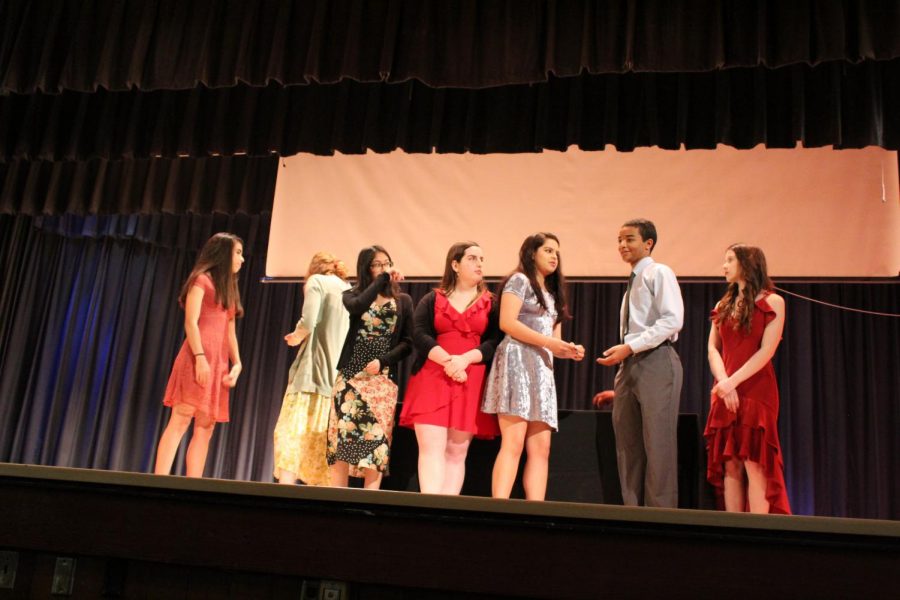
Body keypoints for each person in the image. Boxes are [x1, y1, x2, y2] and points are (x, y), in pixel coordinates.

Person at [482, 233, 585, 501]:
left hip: (542, 368)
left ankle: (535, 510)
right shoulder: (519, 280)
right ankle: (499, 506)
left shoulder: (553, 294)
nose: (554, 257)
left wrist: (568, 350)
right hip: (517, 360)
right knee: (513, 442)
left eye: (557, 253)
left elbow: (555, 341)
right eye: (548, 250)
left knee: (541, 448)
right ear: (532, 253)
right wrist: (550, 344)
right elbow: (507, 323)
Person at [400, 242, 501, 495]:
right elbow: (419, 333)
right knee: (431, 448)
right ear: (455, 265)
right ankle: (430, 508)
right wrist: (448, 361)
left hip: (470, 377)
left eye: (482, 259)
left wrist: (464, 360)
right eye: (472, 258)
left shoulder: (491, 303)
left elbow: (494, 341)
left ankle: (447, 511)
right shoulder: (432, 299)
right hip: (433, 375)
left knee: (457, 452)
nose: (479, 264)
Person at [597, 219, 683, 508]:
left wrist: (629, 347)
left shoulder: (659, 273)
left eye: (630, 239)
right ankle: (632, 513)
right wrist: (625, 353)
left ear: (648, 243)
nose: (622, 245)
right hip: (630, 365)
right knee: (627, 445)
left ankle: (661, 517)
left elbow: (672, 320)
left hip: (657, 360)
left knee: (658, 444)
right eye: (619, 239)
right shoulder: (630, 286)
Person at [704, 244, 790, 514]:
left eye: (730, 260)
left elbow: (767, 350)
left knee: (755, 461)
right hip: (724, 388)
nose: (724, 266)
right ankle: (733, 530)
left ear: (747, 263)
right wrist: (723, 382)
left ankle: (759, 532)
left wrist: (732, 383)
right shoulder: (722, 305)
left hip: (756, 389)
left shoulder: (773, 302)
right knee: (730, 463)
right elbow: (712, 349)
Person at [154, 232, 245, 477]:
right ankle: (158, 481)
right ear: (223, 253)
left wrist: (236, 364)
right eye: (238, 252)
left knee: (206, 426)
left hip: (218, 364)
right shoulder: (201, 280)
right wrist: (200, 358)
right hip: (198, 358)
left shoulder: (229, 290)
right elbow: (190, 323)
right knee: (181, 418)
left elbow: (230, 332)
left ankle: (194, 484)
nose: (242, 259)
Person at [326, 245, 413, 489]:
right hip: (351, 378)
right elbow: (357, 307)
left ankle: (369, 500)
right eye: (377, 264)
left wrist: (383, 361)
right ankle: (336, 501)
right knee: (342, 441)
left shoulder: (403, 301)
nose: (383, 268)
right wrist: (383, 279)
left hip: (382, 380)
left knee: (376, 443)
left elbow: (408, 343)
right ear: (366, 268)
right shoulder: (351, 295)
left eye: (387, 263)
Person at [272, 252, 351, 486]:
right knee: (322, 443)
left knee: (292, 435)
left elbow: (308, 321)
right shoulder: (348, 289)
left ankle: (284, 493)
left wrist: (296, 337)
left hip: (312, 373)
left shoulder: (316, 281)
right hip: (336, 379)